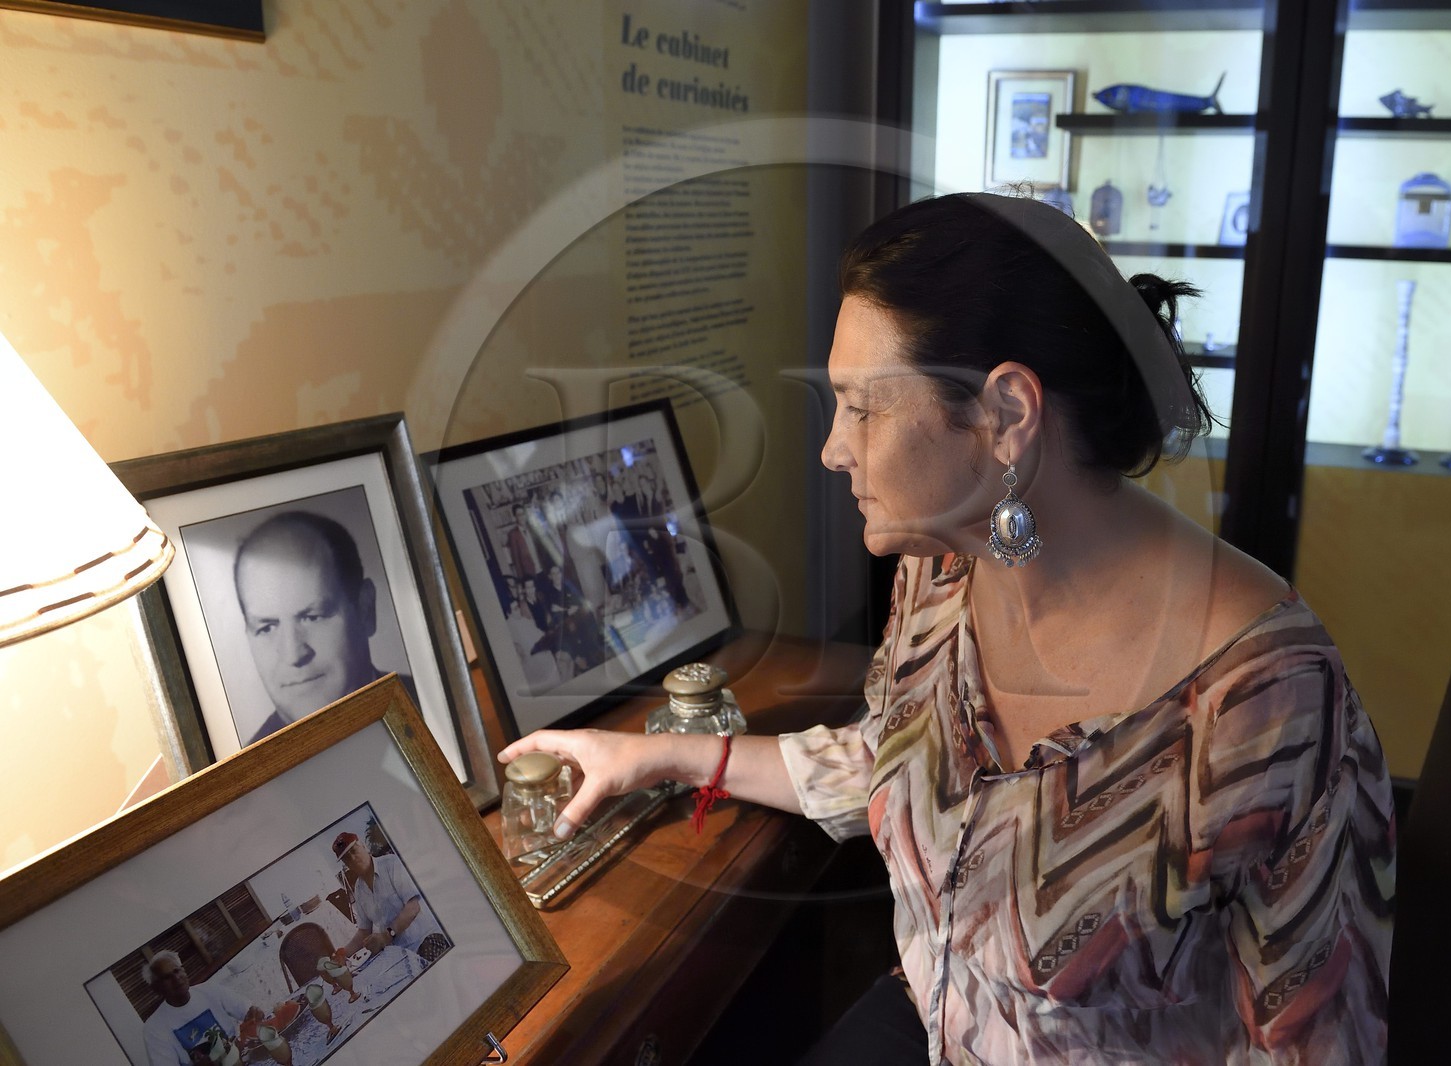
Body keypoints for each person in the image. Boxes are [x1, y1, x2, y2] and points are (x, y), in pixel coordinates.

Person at [498, 191, 1395, 1063]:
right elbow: (900, 760)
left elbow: (1322, 1039)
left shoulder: (1270, 698)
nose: (832, 448)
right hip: (935, 1020)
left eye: (863, 406)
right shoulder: (941, 569)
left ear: (1005, 415)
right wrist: (677, 755)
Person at [232, 510, 414, 744]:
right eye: (266, 628)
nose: (293, 654)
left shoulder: (435, 708)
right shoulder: (251, 778)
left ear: (365, 609)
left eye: (312, 617)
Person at [332, 832, 449, 964]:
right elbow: (364, 931)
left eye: (354, 851)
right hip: (400, 955)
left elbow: (413, 907)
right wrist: (343, 953)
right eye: (347, 858)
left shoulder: (390, 864)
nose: (353, 859)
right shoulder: (359, 889)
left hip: (426, 939)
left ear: (364, 846)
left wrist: (387, 936)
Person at [139, 951, 265, 1066]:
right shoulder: (154, 1028)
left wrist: (254, 1014)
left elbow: (248, 1012)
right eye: (167, 977)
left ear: (184, 971)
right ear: (156, 988)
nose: (176, 978)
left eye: (177, 971)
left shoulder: (210, 990)